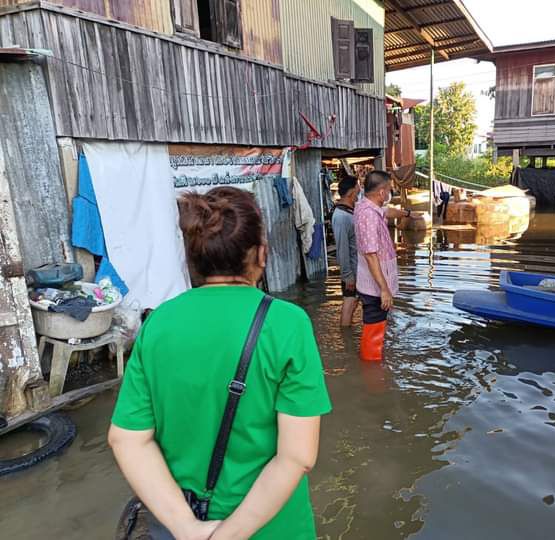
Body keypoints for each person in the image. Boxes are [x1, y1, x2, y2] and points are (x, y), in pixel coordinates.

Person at [108, 186, 332, 540]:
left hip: (180, 525)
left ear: (191, 258)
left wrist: (187, 528)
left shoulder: (158, 323)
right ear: (261, 254)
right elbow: (297, 457)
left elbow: (127, 440)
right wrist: (229, 534)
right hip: (273, 528)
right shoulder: (288, 324)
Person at [354, 170, 411, 361]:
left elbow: (388, 211)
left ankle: (372, 361)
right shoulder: (369, 215)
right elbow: (371, 255)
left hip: (373, 283)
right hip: (375, 287)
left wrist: (407, 213)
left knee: (375, 327)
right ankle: (371, 370)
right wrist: (384, 290)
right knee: (374, 330)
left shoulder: (367, 206)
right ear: (381, 192)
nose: (390, 193)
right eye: (389, 189)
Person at [331, 175, 361, 327]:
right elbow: (342, 249)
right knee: (349, 303)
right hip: (351, 272)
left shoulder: (349, 211)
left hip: (358, 269)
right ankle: (345, 336)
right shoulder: (341, 216)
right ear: (351, 192)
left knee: (353, 302)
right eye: (357, 189)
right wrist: (347, 276)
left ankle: (348, 332)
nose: (359, 192)